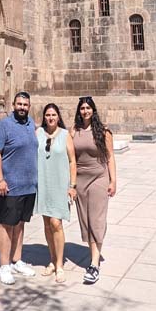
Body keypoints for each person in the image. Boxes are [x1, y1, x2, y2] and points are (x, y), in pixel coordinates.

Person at [0, 91, 38, 285]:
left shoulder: (31, 124)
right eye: (19, 104)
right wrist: (0, 179)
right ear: (13, 105)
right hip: (9, 185)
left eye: (25, 105)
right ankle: (3, 266)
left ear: (29, 106)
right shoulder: (5, 125)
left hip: (28, 185)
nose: (22, 107)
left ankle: (16, 260)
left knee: (20, 223)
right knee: (6, 224)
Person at [72, 95, 116, 285]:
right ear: (79, 111)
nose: (85, 111)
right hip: (80, 180)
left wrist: (113, 181)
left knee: (96, 219)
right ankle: (93, 255)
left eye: (88, 108)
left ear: (93, 110)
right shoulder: (73, 131)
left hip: (99, 178)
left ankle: (94, 264)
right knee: (86, 220)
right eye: (82, 108)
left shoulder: (103, 131)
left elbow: (110, 156)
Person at [35, 103, 77, 284]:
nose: (50, 118)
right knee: (46, 223)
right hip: (43, 183)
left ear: (58, 117)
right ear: (44, 117)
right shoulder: (38, 134)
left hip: (60, 185)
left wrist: (72, 185)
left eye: (53, 115)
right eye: (47, 115)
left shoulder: (66, 135)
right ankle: (51, 260)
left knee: (56, 223)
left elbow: (72, 161)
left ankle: (59, 264)